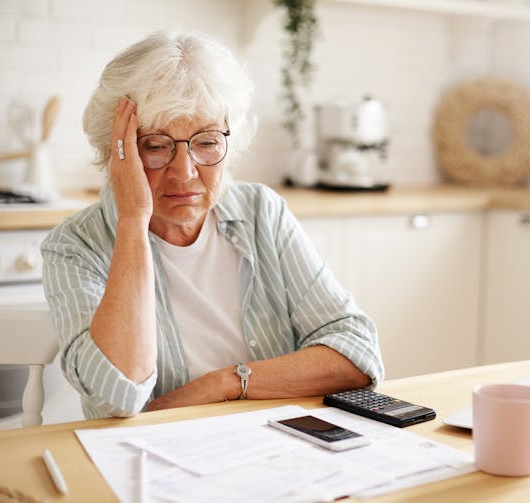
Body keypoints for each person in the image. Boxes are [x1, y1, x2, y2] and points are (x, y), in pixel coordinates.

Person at [41, 30, 384, 419]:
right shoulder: (73, 246)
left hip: (272, 444)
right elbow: (115, 398)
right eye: (155, 145)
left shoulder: (261, 212)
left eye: (205, 142)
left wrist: (224, 384)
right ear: (115, 151)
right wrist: (133, 222)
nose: (184, 172)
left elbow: (356, 354)